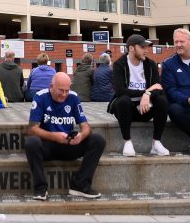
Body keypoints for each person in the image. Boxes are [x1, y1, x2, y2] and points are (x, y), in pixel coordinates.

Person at [26, 72, 106, 200]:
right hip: (48, 146)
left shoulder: (73, 97)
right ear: (51, 86)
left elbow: (86, 126)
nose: (64, 94)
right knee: (31, 143)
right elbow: (32, 129)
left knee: (98, 140)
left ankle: (80, 184)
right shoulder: (40, 97)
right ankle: (40, 188)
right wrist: (54, 136)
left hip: (69, 144)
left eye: (67, 90)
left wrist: (81, 136)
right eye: (60, 90)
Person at [109, 34, 169, 157]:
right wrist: (145, 92)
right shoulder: (119, 64)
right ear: (131, 48)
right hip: (127, 110)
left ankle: (156, 143)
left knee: (162, 100)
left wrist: (148, 95)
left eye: (146, 47)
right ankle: (127, 142)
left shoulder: (150, 64)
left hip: (145, 108)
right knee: (123, 100)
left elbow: (158, 88)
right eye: (142, 47)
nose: (146, 50)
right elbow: (120, 91)